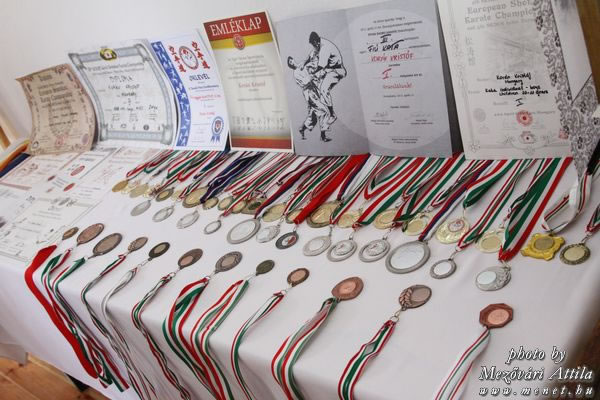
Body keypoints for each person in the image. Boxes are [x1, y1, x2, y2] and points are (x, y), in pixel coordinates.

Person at [287, 56, 332, 142]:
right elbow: (306, 82)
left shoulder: (301, 64)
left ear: (293, 59)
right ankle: (323, 136)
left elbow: (308, 61)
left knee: (313, 116)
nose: (292, 62)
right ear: (290, 65)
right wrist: (313, 76)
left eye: (291, 60)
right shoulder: (296, 74)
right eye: (290, 63)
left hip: (313, 90)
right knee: (323, 112)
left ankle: (302, 129)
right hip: (309, 93)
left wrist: (312, 57)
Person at [306, 31, 346, 128]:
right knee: (318, 89)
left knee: (323, 90)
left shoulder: (325, 47)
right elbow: (312, 55)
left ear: (316, 42)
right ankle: (325, 112)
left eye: (313, 44)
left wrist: (313, 73)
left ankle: (332, 115)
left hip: (337, 71)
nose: (313, 47)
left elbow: (320, 66)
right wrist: (304, 64)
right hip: (329, 69)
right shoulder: (319, 43)